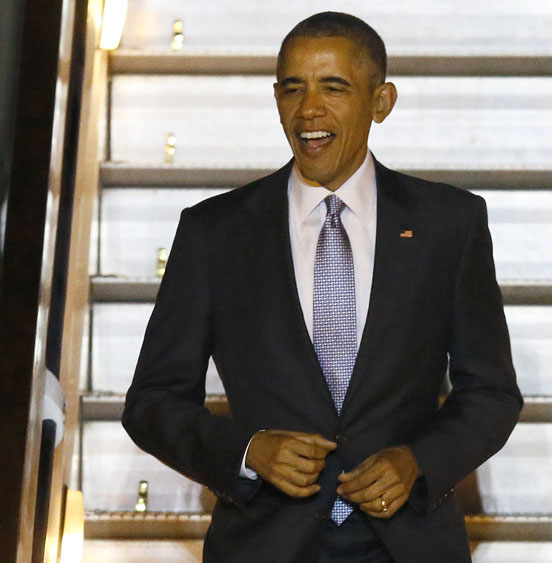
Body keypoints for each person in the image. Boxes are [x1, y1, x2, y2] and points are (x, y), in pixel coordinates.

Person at [122, 11, 521, 563]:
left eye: (333, 87)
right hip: (262, 543)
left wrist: (418, 463)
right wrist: (247, 451)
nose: (309, 109)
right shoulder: (215, 231)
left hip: (408, 543)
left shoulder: (449, 224)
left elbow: (491, 393)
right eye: (292, 88)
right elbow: (152, 401)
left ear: (381, 102)